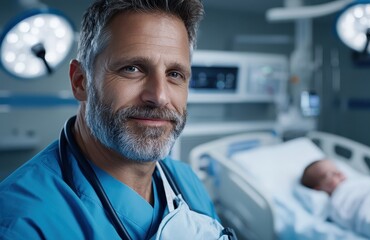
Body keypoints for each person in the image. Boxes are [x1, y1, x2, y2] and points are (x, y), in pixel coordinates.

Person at [0, 1, 236, 239]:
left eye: (174, 74)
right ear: (80, 82)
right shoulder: (21, 223)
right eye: (132, 69)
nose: (159, 96)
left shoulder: (186, 182)